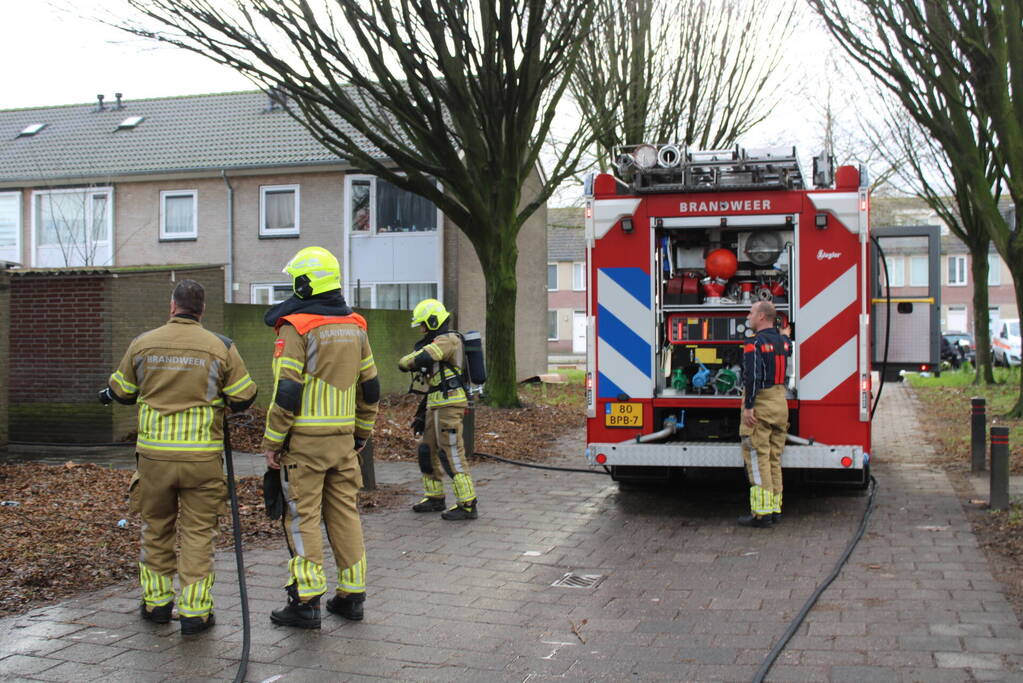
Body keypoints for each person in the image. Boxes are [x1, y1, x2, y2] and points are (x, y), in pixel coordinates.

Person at [99, 279, 257, 635]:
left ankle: (156, 605)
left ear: (173, 306)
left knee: (156, 529)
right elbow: (245, 396)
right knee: (199, 534)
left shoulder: (143, 343)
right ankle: (195, 613)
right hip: (202, 458)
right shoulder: (220, 347)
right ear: (200, 311)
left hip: (154, 458)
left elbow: (121, 391)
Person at [262, 246, 380, 629]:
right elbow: (371, 387)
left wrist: (272, 441)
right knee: (345, 513)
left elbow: (287, 392)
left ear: (304, 282)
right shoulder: (356, 326)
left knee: (303, 517)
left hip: (305, 445)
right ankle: (352, 596)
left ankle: (306, 602)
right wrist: (362, 433)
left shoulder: (296, 327)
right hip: (344, 441)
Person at [398, 298, 479, 521]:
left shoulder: (448, 340)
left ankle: (467, 503)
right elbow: (431, 382)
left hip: (450, 403)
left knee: (451, 451)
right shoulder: (437, 340)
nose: (422, 329)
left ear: (433, 321)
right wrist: (421, 414)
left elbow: (423, 357)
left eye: (423, 324)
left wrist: (407, 360)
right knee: (426, 449)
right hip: (436, 402)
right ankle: (435, 497)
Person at [737, 301, 791, 528]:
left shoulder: (754, 343)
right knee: (774, 458)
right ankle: (775, 509)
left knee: (758, 460)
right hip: (780, 403)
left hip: (762, 403)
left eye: (751, 312)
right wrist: (785, 334)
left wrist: (749, 406)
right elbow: (787, 343)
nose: (748, 316)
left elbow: (753, 376)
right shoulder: (783, 343)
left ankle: (761, 514)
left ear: (761, 317)